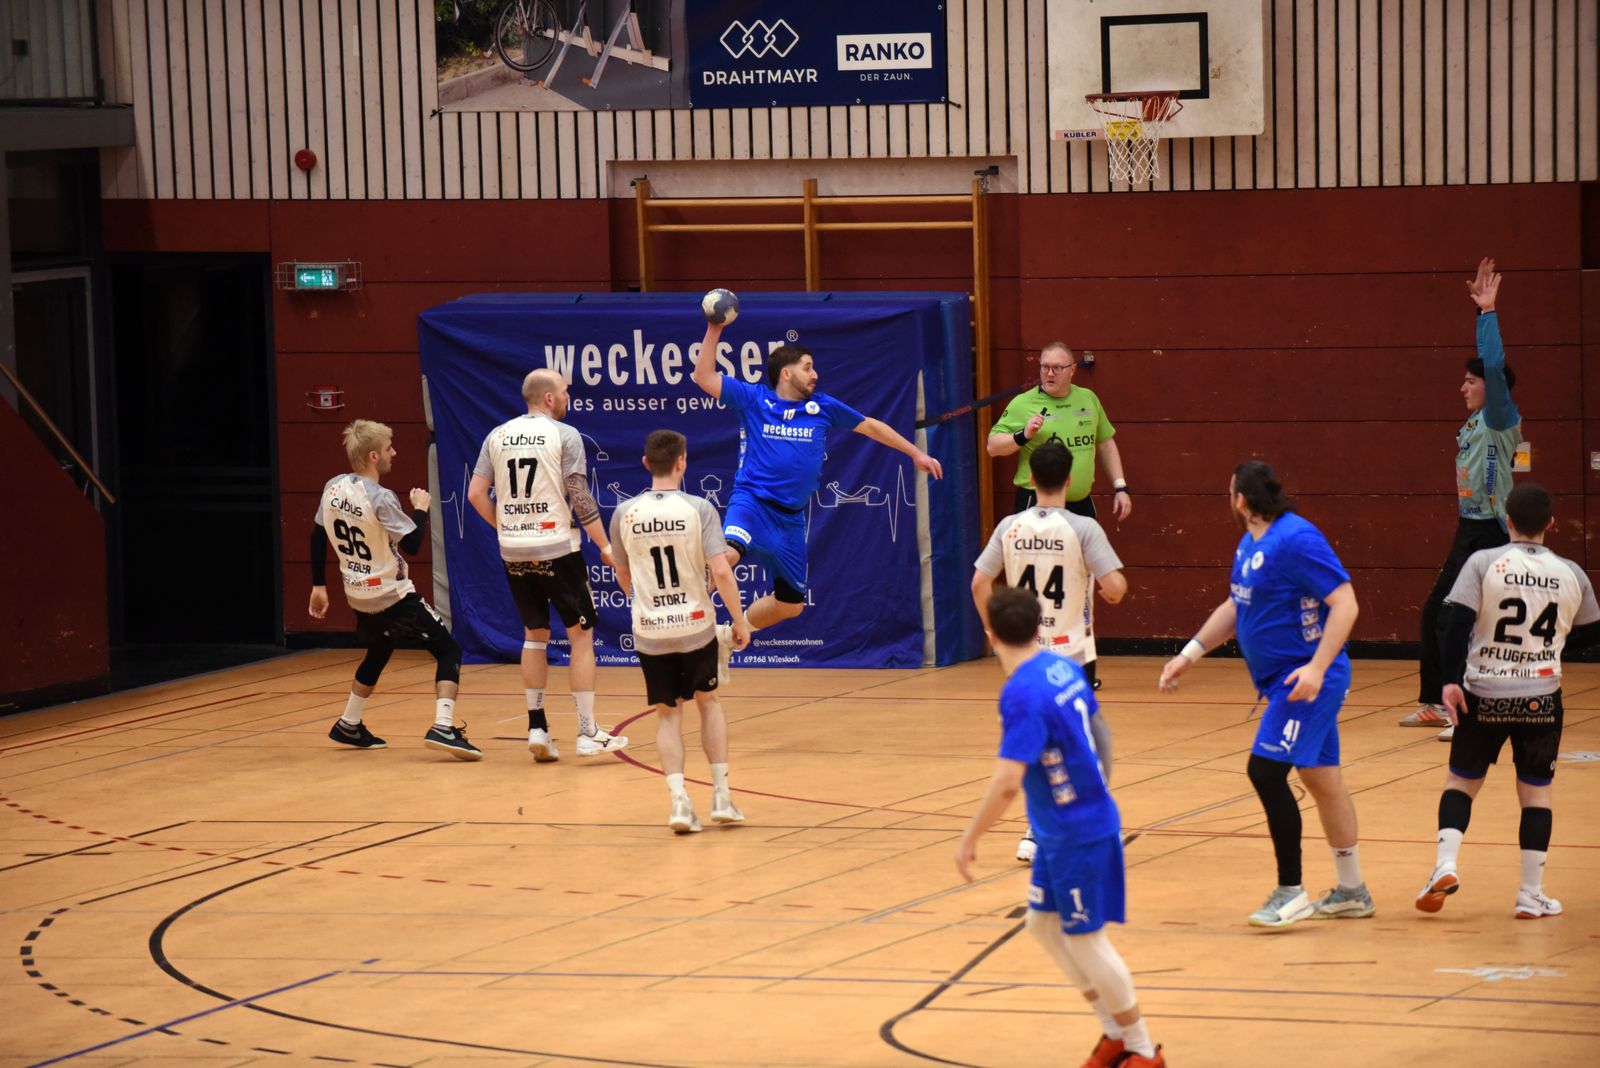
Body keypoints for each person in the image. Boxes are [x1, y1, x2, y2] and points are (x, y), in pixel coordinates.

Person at [955, 586, 1165, 1068]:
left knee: (1085, 939)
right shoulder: (1063, 667)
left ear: (991, 636)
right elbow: (1101, 732)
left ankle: (1142, 1049)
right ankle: (1114, 1034)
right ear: (1038, 628)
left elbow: (1007, 783)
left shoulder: (1022, 695)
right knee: (1043, 926)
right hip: (1062, 829)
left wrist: (969, 838)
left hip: (1077, 832)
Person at [1157, 461, 1372, 929]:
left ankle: (1291, 891)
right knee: (1322, 780)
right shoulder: (1250, 542)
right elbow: (1236, 606)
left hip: (1304, 681)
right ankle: (1352, 890)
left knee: (1266, 771)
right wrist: (1189, 654)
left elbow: (1346, 602)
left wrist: (1316, 668)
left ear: (1241, 500)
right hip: (1283, 680)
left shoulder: (1296, 539)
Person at [692, 312, 943, 638]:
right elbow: (703, 376)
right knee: (727, 555)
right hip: (752, 503)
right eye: (807, 367)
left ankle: (729, 635)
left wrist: (915, 453)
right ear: (786, 373)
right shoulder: (754, 399)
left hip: (791, 519)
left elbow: (870, 426)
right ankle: (689, 616)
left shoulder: (822, 407)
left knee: (790, 605)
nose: (815, 374)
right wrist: (714, 328)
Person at [1416, 482, 1600, 919]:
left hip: (1483, 693)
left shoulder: (1484, 562)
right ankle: (1530, 894)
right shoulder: (1571, 572)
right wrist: (1555, 649)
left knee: (1461, 784)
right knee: (1536, 793)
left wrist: (1449, 682)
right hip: (1541, 698)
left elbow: (1455, 625)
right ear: (1551, 523)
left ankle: (1445, 864)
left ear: (1508, 520)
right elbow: (1594, 632)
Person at [971, 441, 1128, 864]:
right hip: (1071, 654)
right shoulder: (1083, 528)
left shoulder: (1009, 526)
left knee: (1039, 740)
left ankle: (1041, 828)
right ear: (1070, 480)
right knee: (1086, 740)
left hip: (1024, 654)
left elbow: (979, 583)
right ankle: (1067, 825)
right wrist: (1107, 586)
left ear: (1031, 479)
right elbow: (1115, 588)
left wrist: (993, 630)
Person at [467, 369, 627, 761]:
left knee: (534, 635)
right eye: (565, 391)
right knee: (581, 636)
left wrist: (507, 526)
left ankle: (537, 727)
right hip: (556, 546)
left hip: (513, 549)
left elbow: (475, 494)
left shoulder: (497, 435)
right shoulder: (564, 435)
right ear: (550, 398)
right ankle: (587, 731)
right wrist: (606, 547)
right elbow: (579, 496)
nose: (569, 396)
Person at [610, 430, 754, 834]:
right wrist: (739, 620)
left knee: (667, 714)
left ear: (645, 463)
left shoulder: (624, 513)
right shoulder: (698, 508)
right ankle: (721, 796)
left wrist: (645, 601)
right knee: (709, 702)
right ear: (682, 462)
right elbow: (720, 569)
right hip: (695, 625)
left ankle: (678, 803)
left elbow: (622, 573)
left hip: (650, 630)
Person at [310, 419, 479, 760]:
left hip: (357, 594)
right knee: (449, 651)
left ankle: (348, 723)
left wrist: (318, 586)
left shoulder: (333, 487)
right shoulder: (380, 497)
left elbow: (317, 535)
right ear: (373, 456)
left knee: (380, 648)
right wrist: (421, 509)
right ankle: (443, 726)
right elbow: (413, 544)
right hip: (391, 595)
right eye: (389, 449)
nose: (394, 453)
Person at [1405, 258, 1523, 741]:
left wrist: (1486, 313)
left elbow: (1493, 364)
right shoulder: (1473, 423)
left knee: (1463, 619)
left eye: (1470, 381)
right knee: (1436, 611)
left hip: (1492, 532)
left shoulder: (1499, 417)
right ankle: (1437, 701)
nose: (1463, 387)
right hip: (1467, 529)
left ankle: (1467, 711)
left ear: (1491, 389)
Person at [987, 342, 1131, 520]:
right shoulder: (1023, 403)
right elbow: (992, 447)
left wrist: (1120, 487)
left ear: (1072, 370)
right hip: (1037, 503)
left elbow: (1105, 443)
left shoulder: (1088, 398)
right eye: (1044, 367)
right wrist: (1024, 435)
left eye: (1057, 368)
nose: (1049, 373)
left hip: (1080, 504)